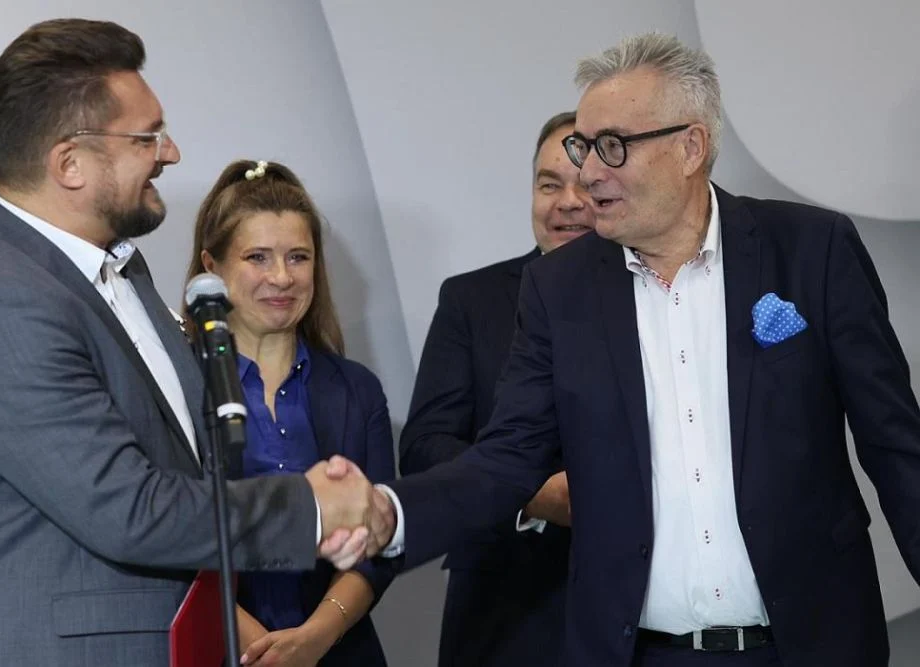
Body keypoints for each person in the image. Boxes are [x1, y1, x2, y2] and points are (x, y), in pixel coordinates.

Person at [375, 33, 920, 666]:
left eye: (613, 146)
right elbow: (506, 458)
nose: (588, 173)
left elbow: (894, 445)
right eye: (583, 147)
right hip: (638, 654)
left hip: (814, 645)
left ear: (691, 147)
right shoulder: (558, 288)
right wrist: (392, 514)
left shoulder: (812, 249)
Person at [0, 19, 380, 666]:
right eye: (147, 137)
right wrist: (310, 509)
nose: (171, 152)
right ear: (69, 164)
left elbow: (184, 462)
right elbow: (126, 508)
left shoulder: (120, 269)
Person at [398, 111, 594, 666]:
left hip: (641, 610)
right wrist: (529, 493)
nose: (567, 202)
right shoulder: (472, 299)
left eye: (584, 185)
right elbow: (424, 446)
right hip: (503, 605)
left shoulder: (654, 297)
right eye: (549, 184)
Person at [185, 159, 395, 666]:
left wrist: (318, 635)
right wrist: (260, 648)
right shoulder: (176, 385)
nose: (281, 277)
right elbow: (167, 535)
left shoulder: (357, 390)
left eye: (298, 257)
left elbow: (382, 538)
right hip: (220, 651)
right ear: (212, 267)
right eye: (257, 257)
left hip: (341, 652)